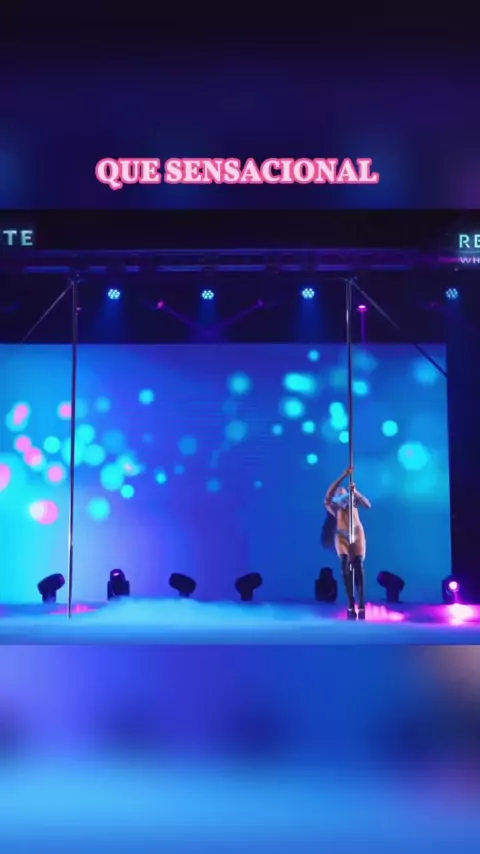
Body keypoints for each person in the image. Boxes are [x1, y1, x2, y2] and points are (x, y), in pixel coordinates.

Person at [324, 467, 371, 620]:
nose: (341, 490)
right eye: (339, 491)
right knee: (345, 568)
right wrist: (344, 475)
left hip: (357, 533)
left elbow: (368, 505)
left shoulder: (353, 501)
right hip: (342, 535)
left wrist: (355, 492)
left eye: (343, 490)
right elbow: (329, 495)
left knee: (358, 567)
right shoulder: (334, 506)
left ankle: (361, 604)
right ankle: (351, 603)